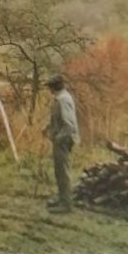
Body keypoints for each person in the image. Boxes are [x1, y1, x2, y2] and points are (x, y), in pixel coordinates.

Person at [45, 74, 80, 213]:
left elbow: (69, 125)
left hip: (64, 140)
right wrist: (48, 127)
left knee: (63, 172)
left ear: (55, 87)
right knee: (59, 171)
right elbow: (58, 119)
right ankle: (61, 199)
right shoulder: (60, 98)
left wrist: (58, 138)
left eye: (50, 87)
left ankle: (66, 205)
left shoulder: (63, 99)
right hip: (61, 138)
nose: (49, 90)